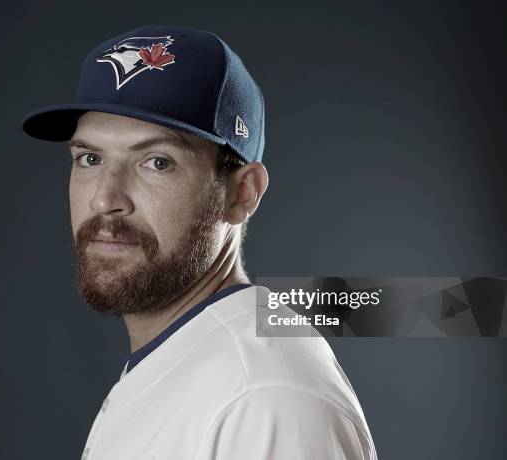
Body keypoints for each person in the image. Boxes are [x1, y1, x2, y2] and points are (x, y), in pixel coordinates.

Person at [21, 25, 377, 460]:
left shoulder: (264, 399)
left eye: (157, 162)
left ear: (242, 193)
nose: (103, 199)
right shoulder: (190, 360)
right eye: (90, 159)